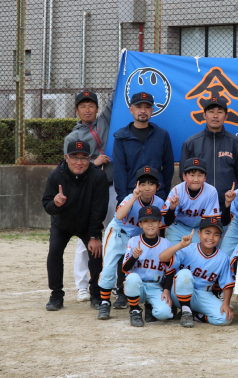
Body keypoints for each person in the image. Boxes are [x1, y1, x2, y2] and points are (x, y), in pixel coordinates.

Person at [42, 140, 109, 311]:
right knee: (55, 252)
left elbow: (99, 209)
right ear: (66, 157)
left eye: (84, 158)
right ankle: (56, 295)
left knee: (95, 252)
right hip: (62, 224)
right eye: (74, 157)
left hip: (88, 224)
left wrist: (94, 235)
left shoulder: (98, 177)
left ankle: (96, 294)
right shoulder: (56, 175)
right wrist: (56, 204)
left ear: (90, 158)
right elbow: (47, 204)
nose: (79, 162)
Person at [64, 90, 116, 302]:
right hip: (87, 191)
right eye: (83, 106)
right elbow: (68, 168)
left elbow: (115, 99)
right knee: (85, 240)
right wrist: (92, 162)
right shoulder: (72, 137)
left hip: (112, 188)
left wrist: (124, 63)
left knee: (114, 236)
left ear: (97, 108)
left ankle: (110, 282)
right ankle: (82, 286)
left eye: (91, 105)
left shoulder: (105, 121)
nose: (87, 109)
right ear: (77, 110)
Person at [97, 166, 165, 320]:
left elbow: (160, 227)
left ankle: (137, 301)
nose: (147, 188)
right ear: (137, 185)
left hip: (137, 239)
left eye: (151, 184)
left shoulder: (159, 203)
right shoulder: (130, 197)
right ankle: (104, 302)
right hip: (117, 233)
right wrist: (134, 197)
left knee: (136, 268)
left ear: (158, 187)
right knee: (108, 268)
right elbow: (120, 216)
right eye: (143, 184)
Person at [158, 217, 235, 327]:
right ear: (199, 233)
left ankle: (196, 316)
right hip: (178, 293)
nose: (211, 237)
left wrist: (226, 304)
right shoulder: (188, 249)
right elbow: (162, 257)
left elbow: (228, 284)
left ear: (220, 237)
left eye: (216, 234)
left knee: (225, 318)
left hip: (204, 294)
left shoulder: (223, 258)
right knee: (185, 274)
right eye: (207, 233)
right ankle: (186, 310)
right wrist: (180, 245)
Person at [179, 97, 238, 209]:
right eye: (211, 112)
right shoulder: (191, 143)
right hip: (199, 205)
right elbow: (184, 175)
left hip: (229, 204)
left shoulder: (236, 143)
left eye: (220, 112)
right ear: (204, 115)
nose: (215, 116)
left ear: (226, 116)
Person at [122, 206, 179, 327]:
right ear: (140, 224)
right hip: (138, 286)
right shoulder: (133, 241)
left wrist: (166, 290)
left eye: (154, 221)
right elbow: (125, 268)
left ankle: (150, 306)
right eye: (146, 221)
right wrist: (134, 257)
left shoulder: (166, 243)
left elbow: (169, 271)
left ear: (160, 223)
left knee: (164, 314)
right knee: (132, 278)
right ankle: (134, 310)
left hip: (155, 286)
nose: (150, 225)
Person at [113, 91, 174, 204]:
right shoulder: (121, 137)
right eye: (138, 107)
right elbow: (119, 171)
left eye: (147, 107)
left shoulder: (162, 135)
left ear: (152, 110)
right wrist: (123, 199)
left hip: (157, 195)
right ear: (131, 110)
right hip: (131, 195)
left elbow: (168, 167)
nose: (143, 111)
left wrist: (164, 194)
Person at [161, 158, 220, 245]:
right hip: (177, 227)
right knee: (173, 254)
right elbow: (167, 221)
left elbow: (211, 220)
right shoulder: (177, 190)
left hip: (199, 228)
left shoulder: (211, 191)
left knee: (199, 252)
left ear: (205, 177)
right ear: (184, 176)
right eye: (192, 175)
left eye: (200, 175)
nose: (196, 179)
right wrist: (172, 208)